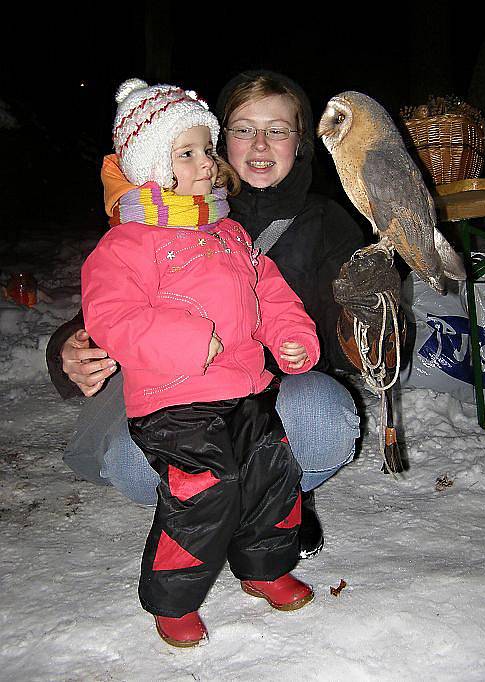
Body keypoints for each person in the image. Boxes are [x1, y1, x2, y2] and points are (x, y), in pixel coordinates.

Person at [47, 70, 389, 559]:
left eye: (279, 129)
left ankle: (275, 503)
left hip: (275, 393)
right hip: (183, 392)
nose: (260, 144)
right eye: (244, 128)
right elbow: (109, 304)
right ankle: (222, 513)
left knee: (323, 417)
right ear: (218, 137)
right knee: (128, 462)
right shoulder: (166, 211)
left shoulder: (329, 223)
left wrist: (365, 322)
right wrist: (69, 349)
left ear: (302, 140)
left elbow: (345, 343)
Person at [81, 78, 321, 647]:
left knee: (273, 474)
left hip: (244, 388)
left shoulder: (228, 231)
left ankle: (266, 569)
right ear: (149, 169)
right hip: (173, 400)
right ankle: (173, 600)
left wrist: (290, 334)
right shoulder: (127, 243)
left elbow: (269, 292)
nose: (207, 165)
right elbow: (112, 316)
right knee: (206, 488)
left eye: (206, 151)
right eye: (186, 153)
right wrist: (189, 340)